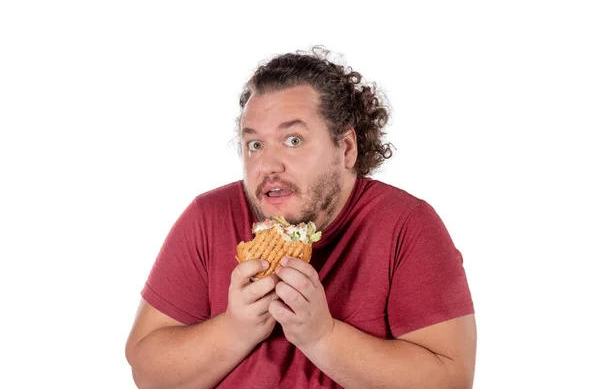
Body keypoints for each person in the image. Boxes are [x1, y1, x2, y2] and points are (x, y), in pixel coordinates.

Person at [125, 46, 477, 389]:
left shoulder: (407, 225)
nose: (268, 165)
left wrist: (322, 337)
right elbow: (147, 371)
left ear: (347, 149)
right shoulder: (208, 217)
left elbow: (451, 380)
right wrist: (235, 329)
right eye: (255, 145)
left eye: (293, 140)